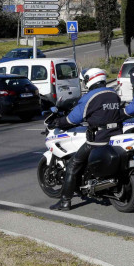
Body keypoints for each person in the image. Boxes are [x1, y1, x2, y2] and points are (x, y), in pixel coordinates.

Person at [49, 68, 122, 211]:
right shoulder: (113, 93)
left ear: (90, 79)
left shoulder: (90, 97)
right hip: (117, 136)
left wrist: (58, 122)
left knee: (72, 165)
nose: (84, 83)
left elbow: (72, 119)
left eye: (85, 80)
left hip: (98, 140)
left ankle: (65, 202)